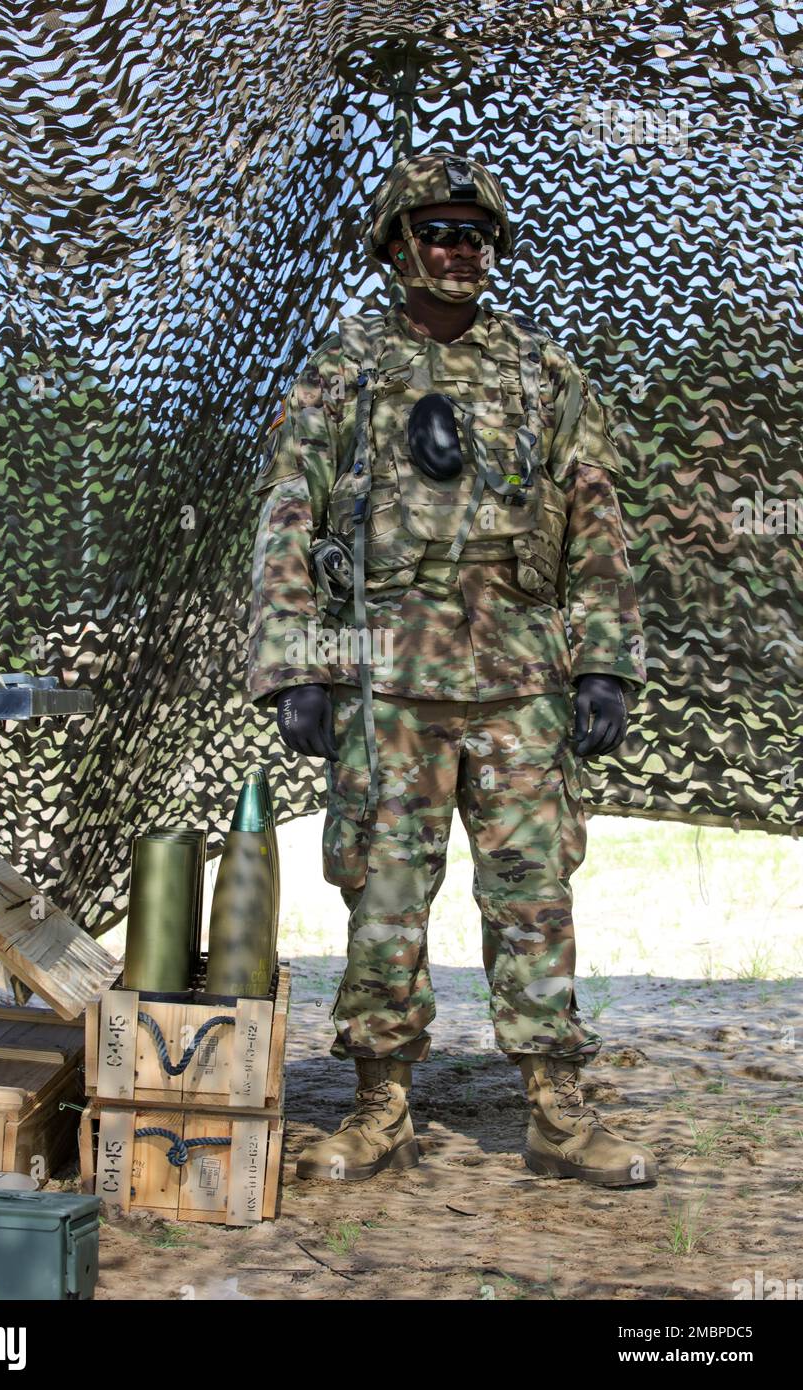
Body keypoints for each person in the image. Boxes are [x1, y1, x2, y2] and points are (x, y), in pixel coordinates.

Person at [246, 150, 657, 1188]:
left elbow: (599, 518)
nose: (456, 250)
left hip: (519, 677)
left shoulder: (544, 373)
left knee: (533, 893)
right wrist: (301, 663)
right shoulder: (346, 371)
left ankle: (557, 1110)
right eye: (434, 231)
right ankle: (380, 1105)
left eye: (474, 235)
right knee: (384, 894)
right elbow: (289, 512)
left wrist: (602, 661)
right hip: (388, 680)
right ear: (394, 245)